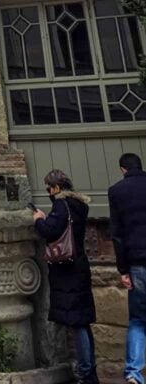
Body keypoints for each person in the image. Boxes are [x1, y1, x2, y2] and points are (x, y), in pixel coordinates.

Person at [32, 168, 97, 384]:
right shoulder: (80, 205)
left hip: (67, 271)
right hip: (79, 266)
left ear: (57, 187)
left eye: (49, 188)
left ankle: (86, 373)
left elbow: (51, 230)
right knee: (83, 322)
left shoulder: (61, 205)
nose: (48, 192)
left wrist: (39, 219)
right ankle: (90, 371)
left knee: (77, 323)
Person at [108, 152, 146, 384]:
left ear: (122, 169)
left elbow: (117, 236)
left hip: (138, 262)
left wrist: (123, 270)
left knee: (139, 320)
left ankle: (133, 371)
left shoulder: (117, 192)